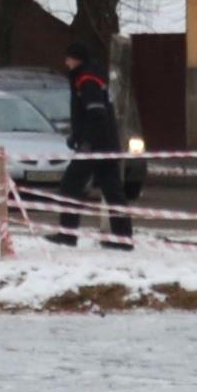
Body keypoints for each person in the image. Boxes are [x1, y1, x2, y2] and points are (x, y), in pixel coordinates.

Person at [58, 45, 135, 250]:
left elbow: (96, 115)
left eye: (68, 58)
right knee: (113, 191)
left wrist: (86, 142)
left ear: (76, 59)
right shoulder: (92, 76)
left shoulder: (86, 80)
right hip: (106, 144)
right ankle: (123, 238)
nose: (66, 62)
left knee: (71, 185)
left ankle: (67, 234)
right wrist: (76, 136)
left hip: (95, 146)